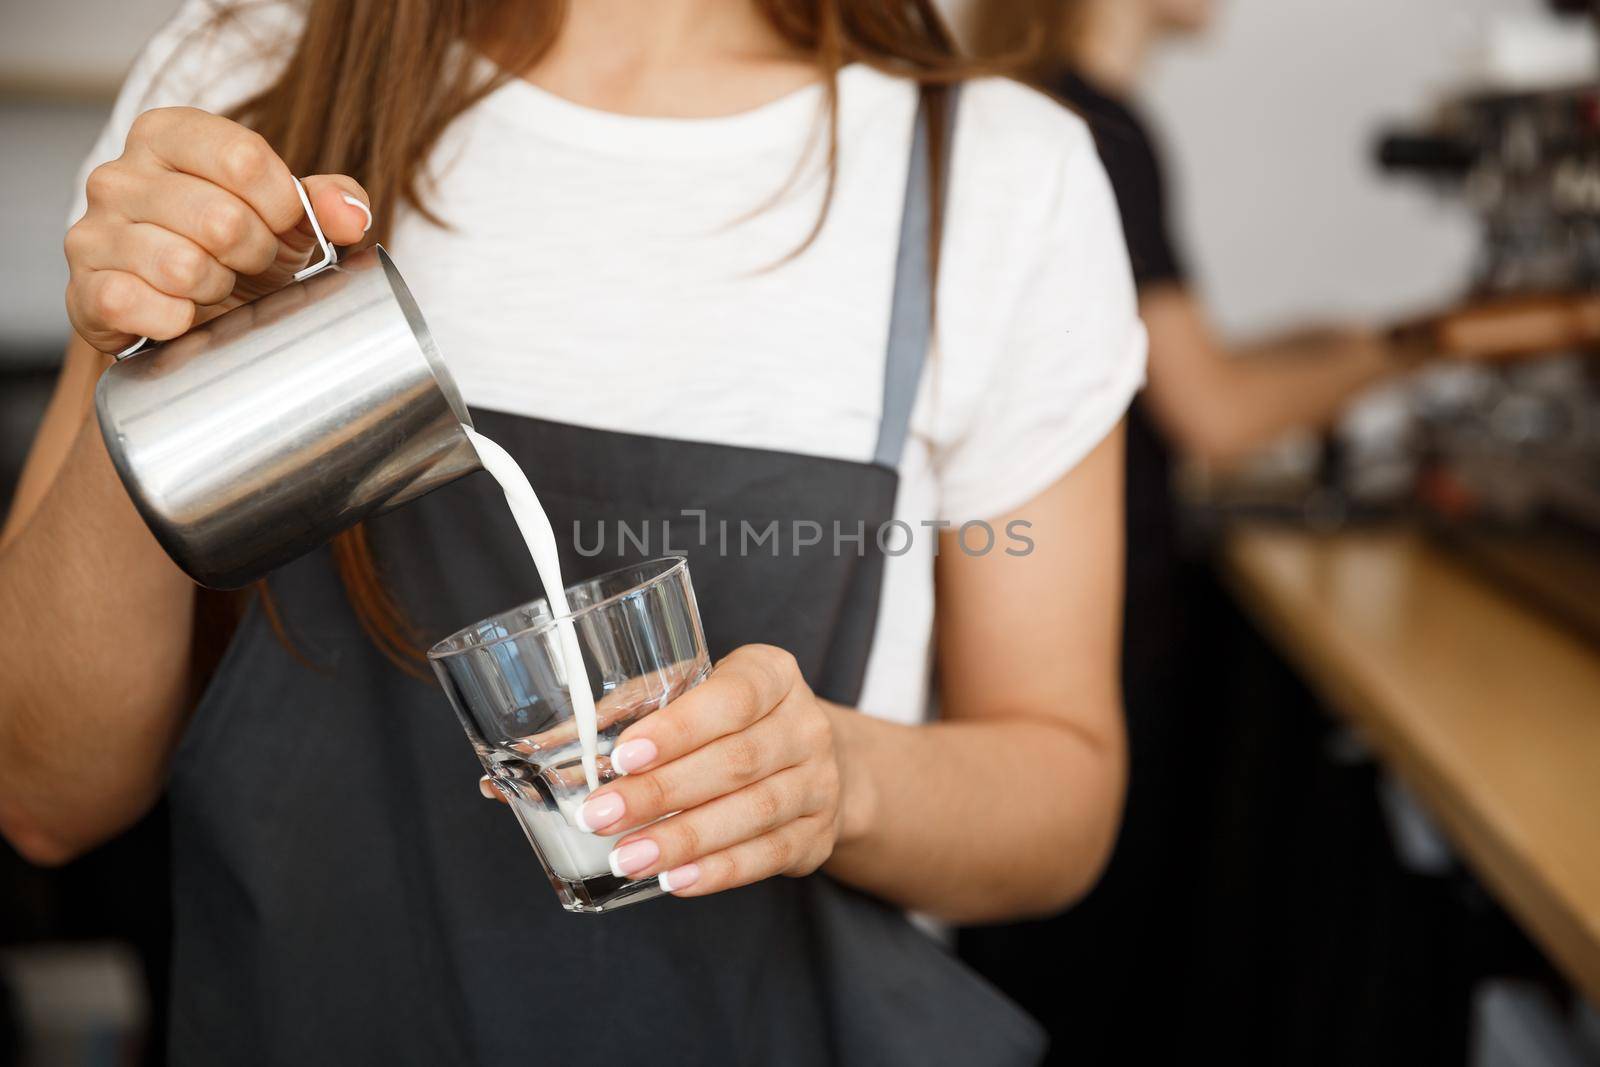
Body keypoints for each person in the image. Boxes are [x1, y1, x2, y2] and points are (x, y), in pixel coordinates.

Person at [0, 0, 1148, 1061]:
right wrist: (143, 352)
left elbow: (1062, 798)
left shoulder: (998, 174)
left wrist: (838, 778)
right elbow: (40, 795)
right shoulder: (251, 84)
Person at [956, 0, 1417, 1061]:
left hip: (1053, 605)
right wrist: (1442, 339)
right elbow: (1208, 410)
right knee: (1080, 987)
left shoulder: (1049, 113)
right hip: (1095, 623)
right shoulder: (1093, 133)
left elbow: (1140, 365)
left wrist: (1330, 344)